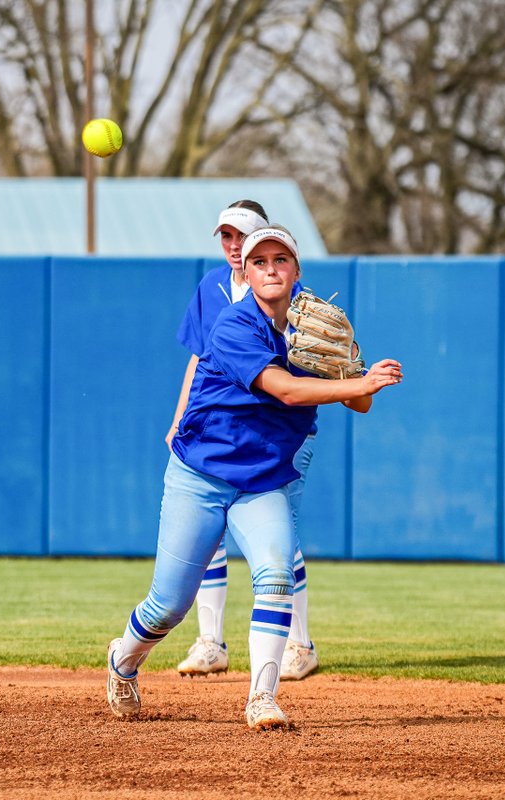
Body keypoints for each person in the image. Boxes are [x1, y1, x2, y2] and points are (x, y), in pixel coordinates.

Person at [108, 225, 403, 729]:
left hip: (264, 479)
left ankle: (262, 698)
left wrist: (354, 372)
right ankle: (123, 660)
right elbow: (285, 389)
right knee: (168, 606)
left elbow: (361, 402)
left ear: (296, 270)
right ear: (244, 271)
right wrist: (359, 379)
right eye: (259, 261)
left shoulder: (317, 322)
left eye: (280, 259)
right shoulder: (232, 325)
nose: (270, 268)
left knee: (275, 574)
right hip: (201, 475)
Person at [166, 201, 321, 682]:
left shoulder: (295, 297)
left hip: (277, 441)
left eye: (244, 237)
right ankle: (211, 641)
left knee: (281, 538)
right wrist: (180, 419)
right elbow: (198, 359)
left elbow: (298, 383)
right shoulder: (212, 287)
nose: (234, 246)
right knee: (207, 535)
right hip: (219, 437)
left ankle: (300, 644)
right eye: (227, 237)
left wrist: (356, 384)